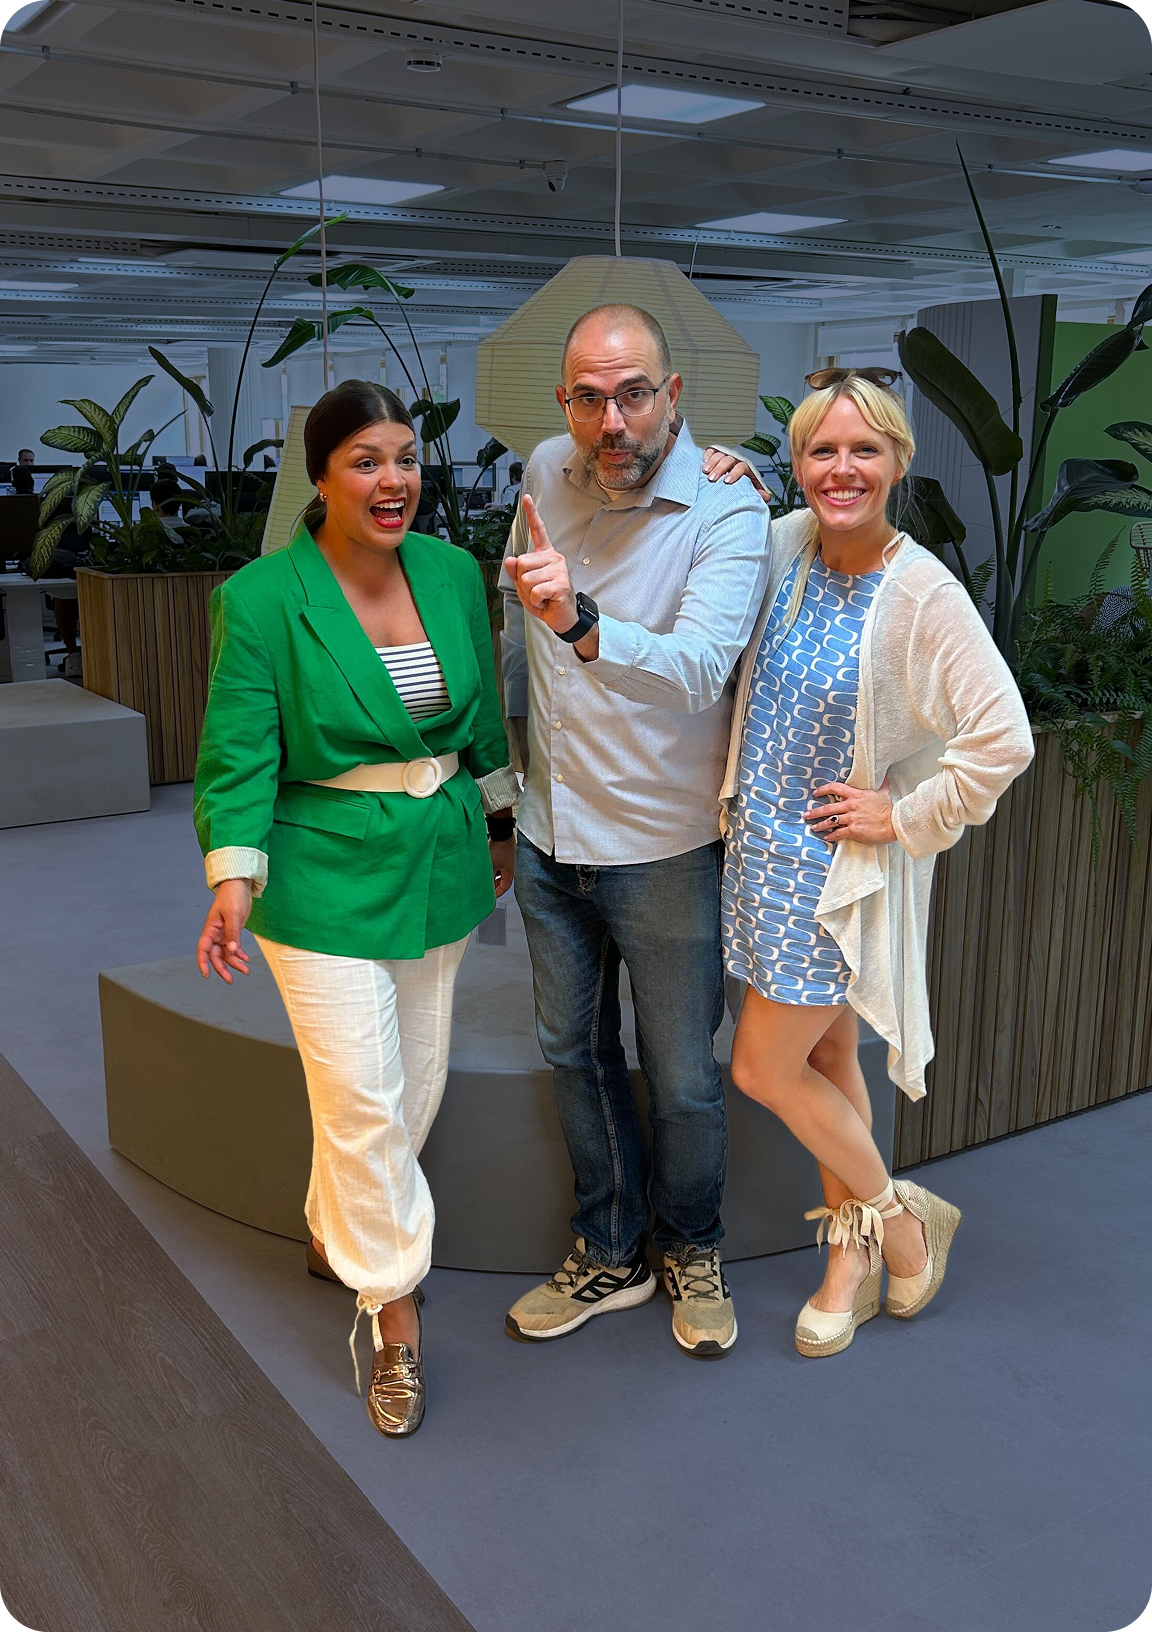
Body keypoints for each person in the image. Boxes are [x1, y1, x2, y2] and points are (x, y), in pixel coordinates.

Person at [193, 380, 518, 1436]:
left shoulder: (452, 571)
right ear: (323, 477)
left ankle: (335, 1228)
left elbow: (483, 723)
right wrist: (233, 875)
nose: (394, 481)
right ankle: (394, 1313)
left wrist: (501, 821)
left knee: (415, 1083)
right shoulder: (262, 597)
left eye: (405, 459)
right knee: (364, 1100)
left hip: (440, 859)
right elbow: (239, 752)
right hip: (320, 875)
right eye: (366, 462)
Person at [719, 368, 1034, 1357]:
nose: (842, 469)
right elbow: (714, 539)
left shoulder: (922, 592)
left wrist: (902, 814)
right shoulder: (785, 545)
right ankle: (849, 1260)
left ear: (898, 461)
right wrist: (717, 472)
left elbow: (1004, 739)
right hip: (758, 855)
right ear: (798, 464)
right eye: (822, 450)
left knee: (761, 1068)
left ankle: (902, 1225)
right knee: (823, 1058)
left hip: (831, 875)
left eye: (865, 449)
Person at [500, 303, 769, 1358]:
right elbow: (516, 641)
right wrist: (507, 797)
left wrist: (582, 621)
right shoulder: (542, 471)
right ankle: (610, 1250)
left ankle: (692, 1245)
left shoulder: (727, 507)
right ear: (564, 402)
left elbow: (700, 670)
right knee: (575, 1054)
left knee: (684, 1075)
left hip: (664, 849)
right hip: (550, 835)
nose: (611, 422)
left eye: (634, 394)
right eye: (588, 398)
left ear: (673, 394)